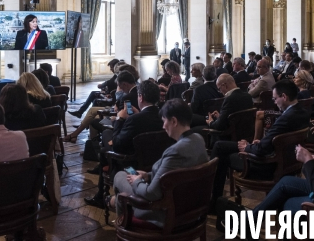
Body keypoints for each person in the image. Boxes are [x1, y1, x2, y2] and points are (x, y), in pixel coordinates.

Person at [210, 80, 309, 209]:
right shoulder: (302, 112)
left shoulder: (286, 118)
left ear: (284, 97)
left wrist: (247, 147)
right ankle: (214, 200)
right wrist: (257, 143)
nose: (274, 102)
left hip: (265, 165)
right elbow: (270, 142)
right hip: (288, 163)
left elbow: (262, 149)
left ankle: (214, 201)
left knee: (220, 148)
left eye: (275, 98)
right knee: (222, 146)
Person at [110, 99, 208, 227]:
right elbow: (174, 173)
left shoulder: (175, 151)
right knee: (121, 194)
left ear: (174, 121)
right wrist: (148, 175)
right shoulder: (198, 139)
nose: (163, 126)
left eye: (164, 121)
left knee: (120, 177)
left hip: (166, 213)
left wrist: (136, 181)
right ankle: (119, 212)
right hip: (192, 208)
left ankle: (123, 222)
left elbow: (151, 194)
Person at [84, 80, 164, 208]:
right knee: (107, 141)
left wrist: (119, 119)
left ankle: (101, 194)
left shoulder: (134, 120)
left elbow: (117, 146)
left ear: (141, 97)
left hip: (131, 166)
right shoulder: (163, 116)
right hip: (156, 163)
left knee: (106, 142)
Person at [66, 71, 139, 143]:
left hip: (121, 124)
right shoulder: (139, 91)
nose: (120, 88)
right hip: (130, 121)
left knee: (93, 121)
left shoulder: (127, 97)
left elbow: (127, 113)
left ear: (125, 84)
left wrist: (116, 115)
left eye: (120, 86)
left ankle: (93, 147)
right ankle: (85, 141)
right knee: (93, 114)